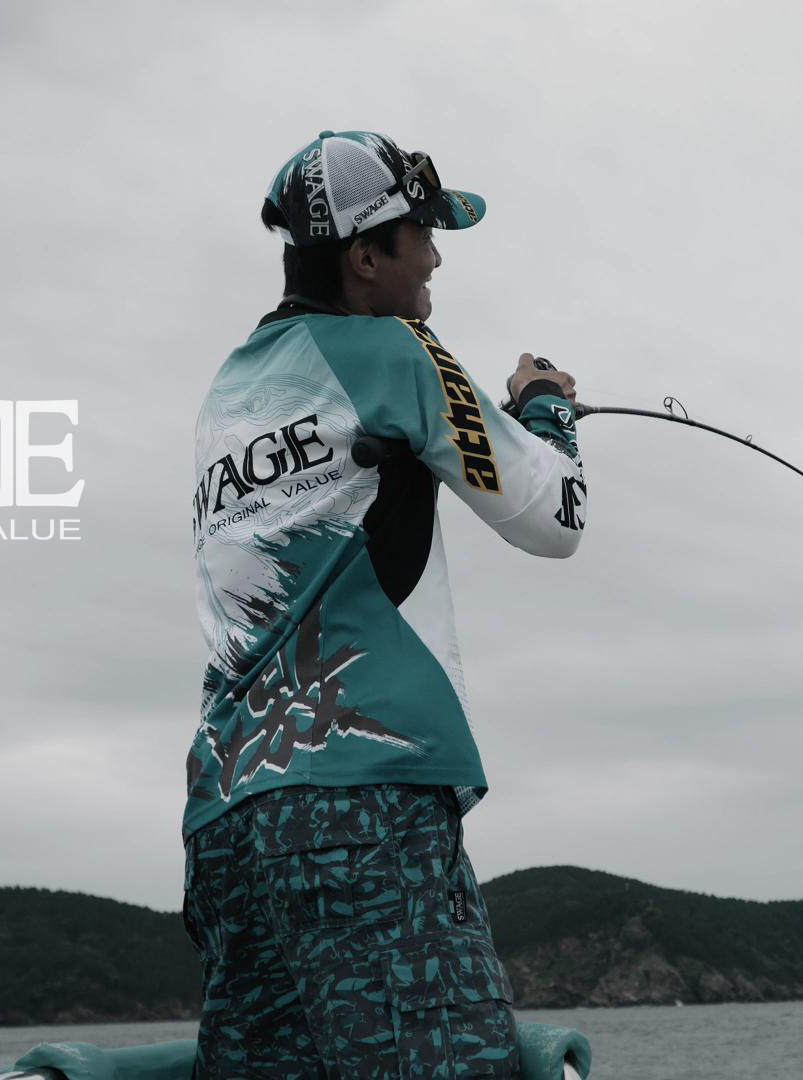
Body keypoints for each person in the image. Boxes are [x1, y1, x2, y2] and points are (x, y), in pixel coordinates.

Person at [184, 130, 588, 1079]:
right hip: (363, 803)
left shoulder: (225, 396)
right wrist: (545, 409)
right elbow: (554, 516)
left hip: (227, 821)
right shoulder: (401, 351)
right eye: (424, 236)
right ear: (366, 258)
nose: (437, 258)